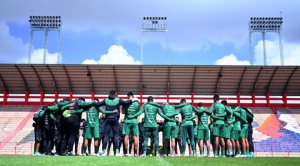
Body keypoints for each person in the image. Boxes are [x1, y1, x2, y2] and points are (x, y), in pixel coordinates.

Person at [94, 90, 134, 156]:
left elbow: (98, 104)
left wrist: (92, 102)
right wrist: (131, 100)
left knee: (106, 135)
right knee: (116, 135)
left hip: (108, 119)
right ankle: (117, 152)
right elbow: (125, 102)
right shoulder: (118, 99)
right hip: (115, 119)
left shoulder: (106, 100)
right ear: (115, 94)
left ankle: (104, 151)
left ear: (109, 94)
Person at [122, 92, 140, 156]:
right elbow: (138, 112)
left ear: (129, 96)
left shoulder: (126, 103)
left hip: (127, 121)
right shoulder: (137, 103)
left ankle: (126, 152)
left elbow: (123, 112)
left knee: (126, 136)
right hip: (134, 121)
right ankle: (135, 153)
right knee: (135, 136)